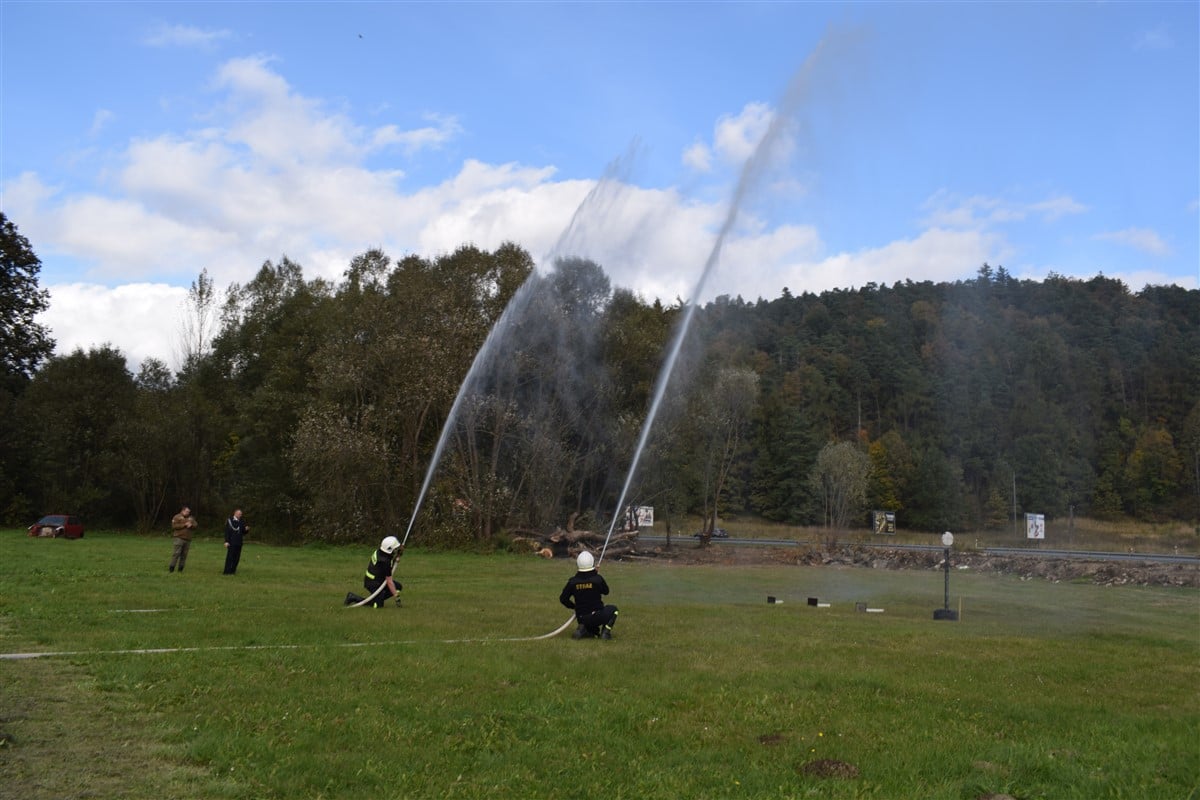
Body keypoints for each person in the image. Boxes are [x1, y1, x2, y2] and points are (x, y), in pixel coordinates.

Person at [559, 551, 618, 639]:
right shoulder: (597, 579)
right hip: (597, 616)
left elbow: (563, 599)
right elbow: (606, 591)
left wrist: (574, 606)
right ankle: (605, 633)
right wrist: (596, 575)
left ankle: (583, 628)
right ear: (592, 562)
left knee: (593, 632)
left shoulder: (573, 581)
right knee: (614, 609)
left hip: (581, 617)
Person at [345, 536, 403, 608]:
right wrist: (396, 597)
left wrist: (397, 556)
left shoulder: (380, 552)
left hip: (378, 580)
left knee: (398, 587)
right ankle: (353, 597)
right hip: (373, 583)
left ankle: (378, 598)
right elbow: (389, 581)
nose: (396, 550)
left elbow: (388, 564)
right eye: (395, 549)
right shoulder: (385, 561)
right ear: (390, 549)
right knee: (378, 606)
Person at [168, 505, 197, 573]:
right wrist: (184, 525)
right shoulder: (177, 517)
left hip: (188, 539)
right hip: (179, 538)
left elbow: (196, 524)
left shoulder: (191, 518)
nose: (188, 513)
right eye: (187, 511)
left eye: (189, 512)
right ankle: (171, 568)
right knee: (176, 553)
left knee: (184, 555)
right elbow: (174, 526)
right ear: (182, 511)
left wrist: (191, 525)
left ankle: (180, 569)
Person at [223, 509, 248, 575]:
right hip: (231, 542)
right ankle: (227, 571)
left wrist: (246, 530)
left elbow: (243, 532)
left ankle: (233, 571)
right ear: (235, 513)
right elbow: (227, 532)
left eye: (241, 514)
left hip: (239, 542)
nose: (240, 515)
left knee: (237, 558)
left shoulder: (242, 521)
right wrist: (226, 541)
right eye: (239, 514)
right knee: (230, 557)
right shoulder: (229, 520)